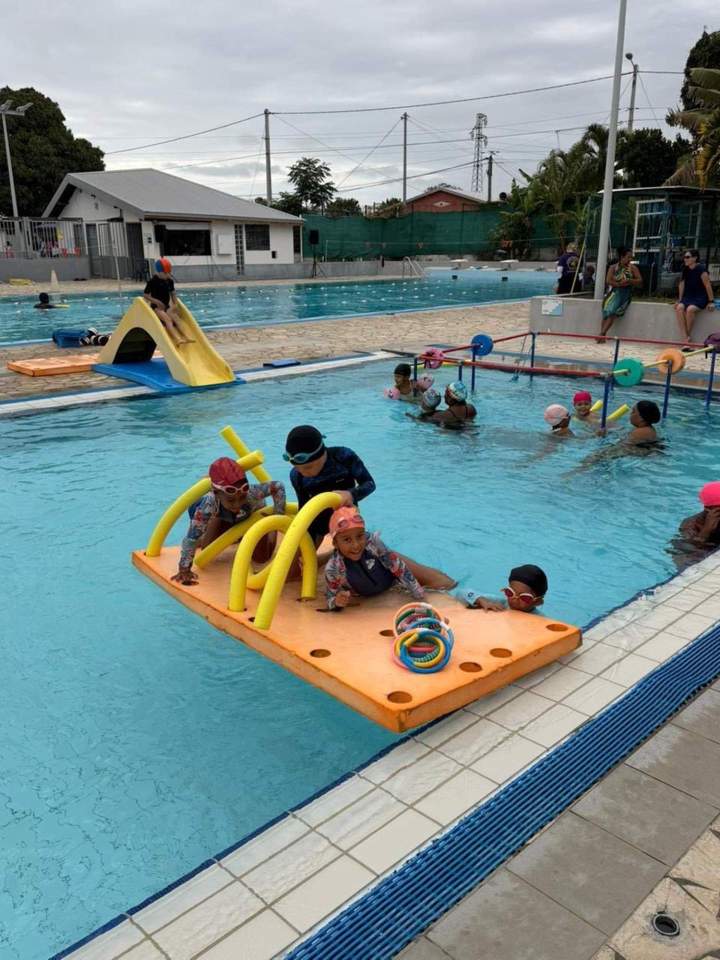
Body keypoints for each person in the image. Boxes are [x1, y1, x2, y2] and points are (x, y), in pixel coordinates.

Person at [172, 457, 286, 585]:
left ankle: (251, 529)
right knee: (207, 549)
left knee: (261, 558)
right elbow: (191, 538)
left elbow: (278, 486)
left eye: (242, 497)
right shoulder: (209, 504)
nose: (237, 503)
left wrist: (277, 518)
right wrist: (184, 569)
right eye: (231, 500)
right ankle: (227, 530)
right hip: (222, 516)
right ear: (216, 493)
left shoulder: (252, 493)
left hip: (252, 517)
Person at [323, 507, 453, 610]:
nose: (356, 545)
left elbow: (399, 568)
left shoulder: (373, 543)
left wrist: (420, 597)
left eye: (360, 536)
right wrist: (337, 602)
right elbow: (330, 598)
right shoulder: (333, 568)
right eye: (347, 540)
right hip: (364, 594)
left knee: (443, 584)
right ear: (335, 543)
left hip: (393, 583)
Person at [284, 425, 376, 546]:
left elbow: (369, 484)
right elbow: (304, 506)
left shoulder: (343, 457)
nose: (303, 472)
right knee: (301, 556)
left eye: (308, 467)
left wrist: (351, 494)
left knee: (355, 551)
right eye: (297, 468)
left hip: (346, 521)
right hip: (318, 523)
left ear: (322, 454)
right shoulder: (296, 475)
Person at [670, 481, 720, 569]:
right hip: (703, 550)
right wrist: (706, 531)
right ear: (709, 509)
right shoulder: (690, 524)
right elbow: (689, 549)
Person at [143, 258, 193, 346]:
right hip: (157, 308)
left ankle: (186, 337)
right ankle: (177, 339)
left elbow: (173, 294)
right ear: (159, 272)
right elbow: (146, 295)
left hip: (167, 307)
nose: (168, 275)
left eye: (169, 272)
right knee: (168, 320)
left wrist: (175, 305)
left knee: (176, 318)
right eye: (165, 273)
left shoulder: (169, 281)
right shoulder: (152, 282)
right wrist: (156, 301)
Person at [458, 565, 548, 613]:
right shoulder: (501, 603)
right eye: (510, 593)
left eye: (524, 597)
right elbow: (461, 593)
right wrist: (481, 600)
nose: (514, 599)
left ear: (538, 602)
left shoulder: (540, 619)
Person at [597, 247, 642, 341]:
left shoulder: (633, 268)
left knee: (612, 312)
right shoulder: (613, 267)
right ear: (622, 257)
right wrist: (618, 284)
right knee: (606, 312)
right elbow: (608, 280)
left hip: (625, 294)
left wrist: (629, 280)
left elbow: (639, 280)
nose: (630, 259)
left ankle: (602, 334)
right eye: (628, 257)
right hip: (614, 292)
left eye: (631, 258)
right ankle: (602, 335)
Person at [675, 249, 715, 345]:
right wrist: (680, 300)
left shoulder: (701, 269)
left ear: (695, 258)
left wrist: (711, 301)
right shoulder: (685, 269)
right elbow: (681, 284)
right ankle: (685, 337)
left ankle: (686, 338)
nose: (685, 259)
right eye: (684, 257)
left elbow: (707, 285)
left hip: (700, 296)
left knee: (690, 309)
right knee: (679, 307)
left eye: (687, 257)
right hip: (688, 296)